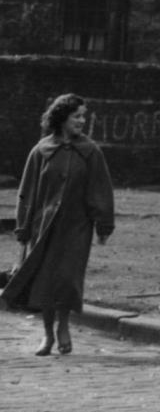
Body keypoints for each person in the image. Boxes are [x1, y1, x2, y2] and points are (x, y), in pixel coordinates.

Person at [6, 93, 115, 356]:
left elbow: (101, 189)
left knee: (67, 280)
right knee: (44, 280)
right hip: (44, 227)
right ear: (62, 117)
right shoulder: (41, 151)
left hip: (76, 227)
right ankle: (47, 335)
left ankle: (64, 327)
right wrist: (23, 228)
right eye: (76, 116)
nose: (81, 121)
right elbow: (27, 191)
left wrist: (103, 225)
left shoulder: (91, 152)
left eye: (83, 116)